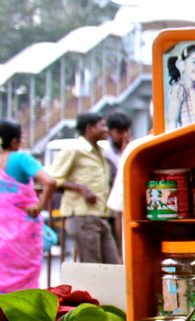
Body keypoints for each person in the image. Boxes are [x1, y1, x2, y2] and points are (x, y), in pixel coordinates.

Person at [49, 112, 120, 264]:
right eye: (102, 125)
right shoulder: (74, 149)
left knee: (112, 264)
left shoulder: (100, 151)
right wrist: (81, 189)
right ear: (90, 128)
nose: (106, 129)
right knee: (91, 265)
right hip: (82, 215)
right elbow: (53, 179)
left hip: (100, 215)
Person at [0, 120, 57, 292]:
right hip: (23, 229)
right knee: (24, 280)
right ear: (15, 141)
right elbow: (50, 181)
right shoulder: (20, 158)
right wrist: (39, 206)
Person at [103, 110, 132, 250]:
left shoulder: (130, 147)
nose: (124, 135)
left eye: (126, 131)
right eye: (119, 131)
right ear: (109, 132)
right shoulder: (104, 151)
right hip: (108, 202)